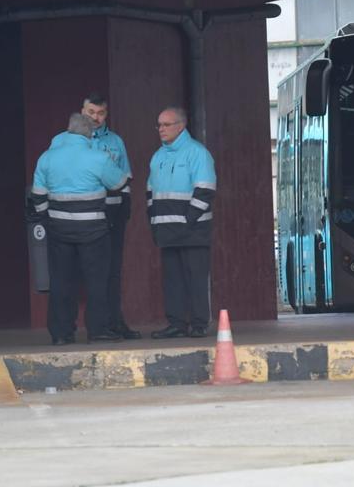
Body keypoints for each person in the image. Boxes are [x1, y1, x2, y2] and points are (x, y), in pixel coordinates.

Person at [27, 113, 127, 345]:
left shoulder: (47, 158)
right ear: (89, 134)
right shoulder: (97, 157)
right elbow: (120, 183)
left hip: (59, 229)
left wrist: (47, 218)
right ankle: (98, 330)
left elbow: (38, 196)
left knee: (61, 281)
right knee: (96, 281)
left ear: (69, 130)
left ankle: (61, 333)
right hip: (93, 229)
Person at [71, 93, 140, 340]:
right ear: (82, 111)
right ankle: (94, 325)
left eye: (101, 113)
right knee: (91, 270)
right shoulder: (75, 142)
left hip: (113, 210)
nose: (96, 118)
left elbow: (125, 176)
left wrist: (125, 206)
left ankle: (115, 321)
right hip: (84, 212)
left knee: (113, 270)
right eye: (91, 112)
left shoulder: (115, 142)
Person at [146, 106, 217, 339]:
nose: (161, 129)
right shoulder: (157, 156)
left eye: (166, 125)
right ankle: (176, 324)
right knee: (172, 281)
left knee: (196, 278)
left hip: (193, 230)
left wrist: (188, 221)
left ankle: (198, 324)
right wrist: (154, 222)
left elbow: (205, 189)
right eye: (159, 125)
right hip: (166, 230)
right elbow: (150, 192)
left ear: (181, 125)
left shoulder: (197, 153)